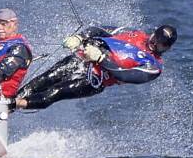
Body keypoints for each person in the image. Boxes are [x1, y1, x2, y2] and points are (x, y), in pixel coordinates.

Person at [13, 22, 177, 111]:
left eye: (160, 45)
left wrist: (100, 58)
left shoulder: (153, 66)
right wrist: (79, 37)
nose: (154, 44)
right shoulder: (134, 33)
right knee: (43, 80)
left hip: (93, 80)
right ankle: (6, 102)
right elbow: (97, 29)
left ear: (167, 48)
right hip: (81, 61)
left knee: (55, 92)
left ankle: (12, 105)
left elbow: (123, 75)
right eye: (155, 38)